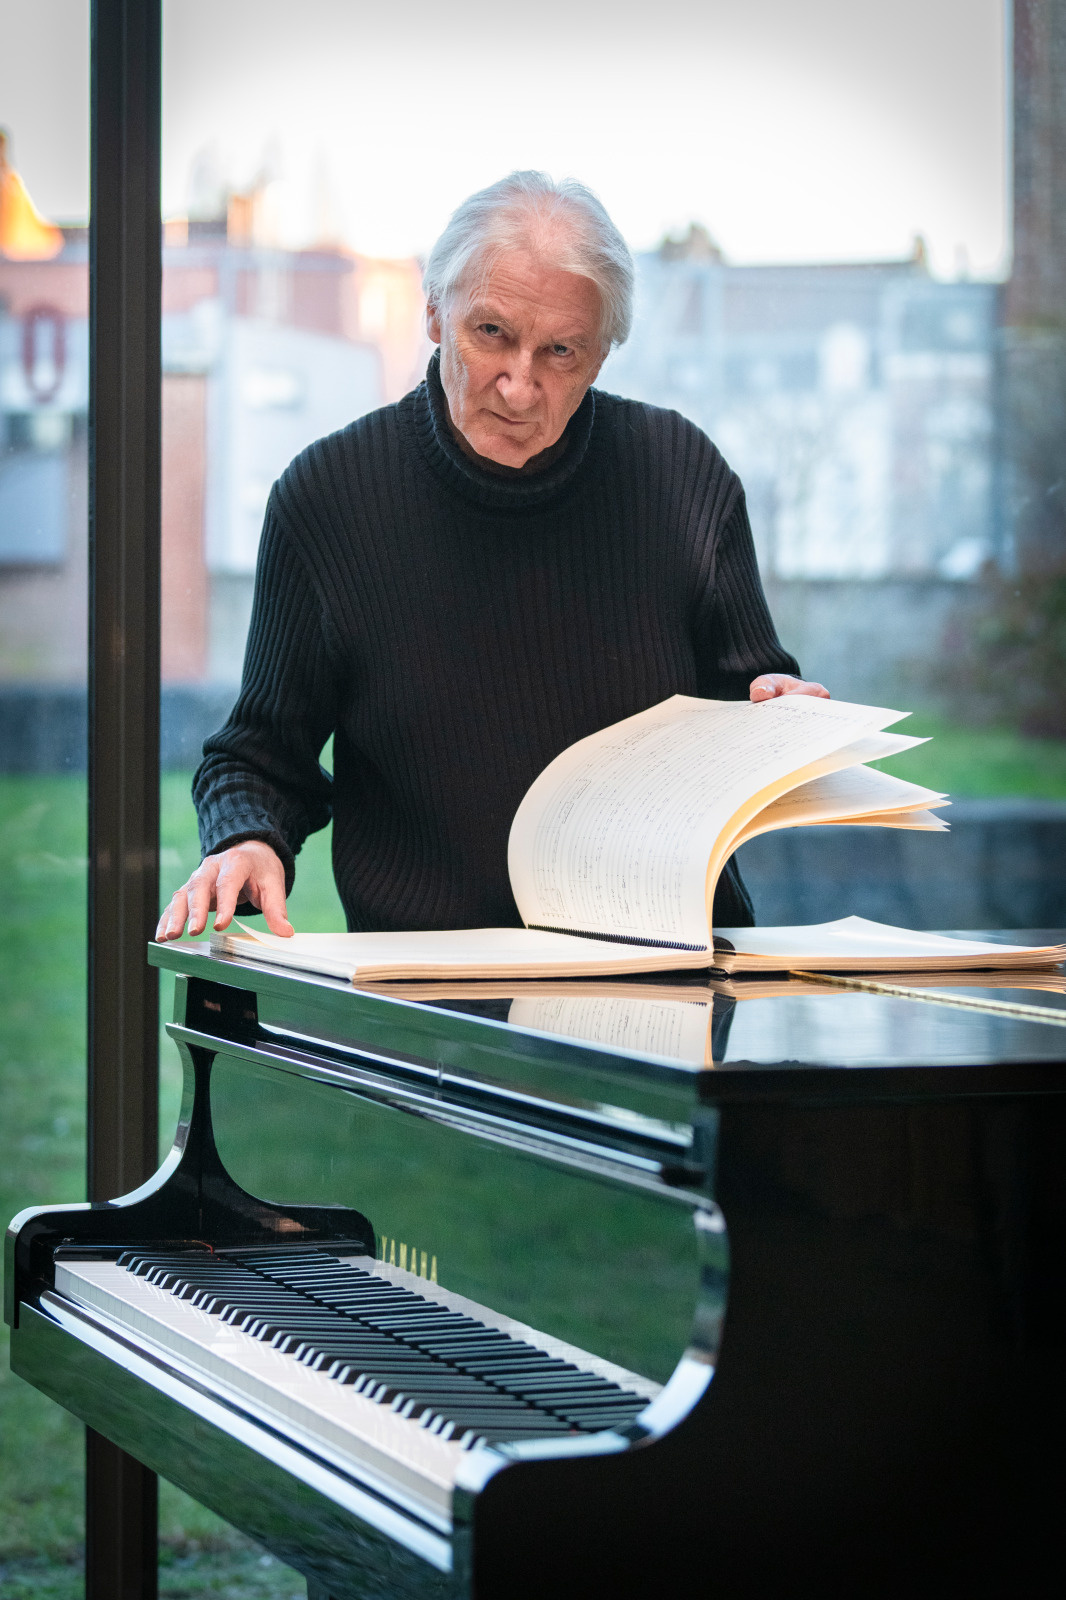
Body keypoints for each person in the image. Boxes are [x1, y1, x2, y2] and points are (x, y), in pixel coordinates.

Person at [156, 171, 827, 946]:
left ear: (603, 356)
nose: (519, 386)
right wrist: (247, 839)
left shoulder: (681, 473)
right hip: (438, 992)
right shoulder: (330, 497)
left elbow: (745, 697)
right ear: (435, 311)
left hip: (670, 969)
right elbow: (260, 756)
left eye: (561, 351)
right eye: (493, 334)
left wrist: (777, 719)